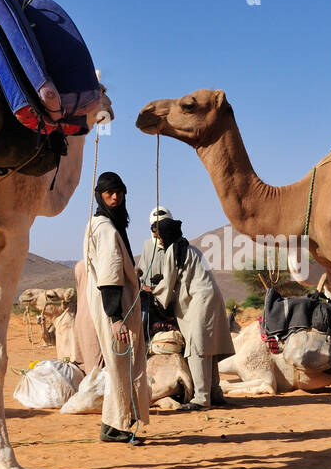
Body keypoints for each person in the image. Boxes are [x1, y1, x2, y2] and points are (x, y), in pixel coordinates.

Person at [83, 171, 151, 444]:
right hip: (114, 306)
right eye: (109, 192)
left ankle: (113, 425)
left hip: (115, 303)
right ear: (99, 195)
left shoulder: (102, 224)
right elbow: (110, 275)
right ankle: (118, 426)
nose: (115, 196)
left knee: (118, 365)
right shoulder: (106, 228)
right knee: (120, 364)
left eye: (119, 192)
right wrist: (116, 317)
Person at [149, 214, 236, 410]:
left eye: (160, 236)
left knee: (197, 348)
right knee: (209, 348)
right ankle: (215, 392)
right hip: (213, 298)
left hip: (201, 300)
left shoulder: (173, 250)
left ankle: (201, 399)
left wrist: (152, 291)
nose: (159, 240)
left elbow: (169, 281)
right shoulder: (192, 249)